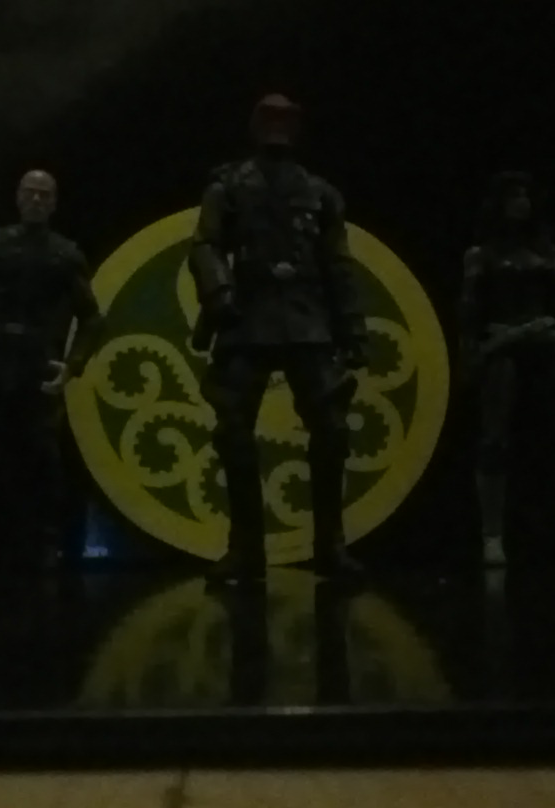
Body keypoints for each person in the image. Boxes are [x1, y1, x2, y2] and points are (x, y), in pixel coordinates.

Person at [188, 94, 369, 584]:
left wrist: (352, 328)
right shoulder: (228, 186)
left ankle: (330, 546)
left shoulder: (320, 193)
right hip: (247, 314)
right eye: (269, 119)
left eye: (286, 120)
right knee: (233, 428)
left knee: (332, 429)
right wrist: (220, 294)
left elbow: (338, 263)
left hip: (306, 317)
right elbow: (205, 244)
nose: (278, 127)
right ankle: (245, 549)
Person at [0, 169, 105, 571]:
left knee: (44, 458)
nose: (36, 200)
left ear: (54, 202)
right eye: (30, 193)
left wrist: (71, 367)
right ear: (17, 197)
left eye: (44, 195)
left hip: (36, 362)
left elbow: (93, 319)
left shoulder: (64, 254)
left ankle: (49, 540)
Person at [458, 171, 555, 566]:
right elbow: (469, 308)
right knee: (494, 438)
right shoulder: (481, 254)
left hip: (544, 341)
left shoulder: (543, 250)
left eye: (525, 196)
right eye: (514, 196)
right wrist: (469, 353)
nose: (521, 202)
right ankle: (492, 537)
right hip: (503, 345)